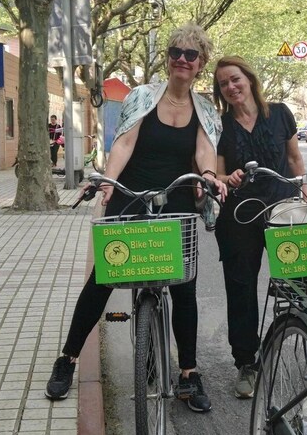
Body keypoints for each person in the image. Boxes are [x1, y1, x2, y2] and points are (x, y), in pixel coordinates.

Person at [45, 24, 226, 413]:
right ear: (168, 58)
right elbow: (124, 141)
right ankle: (68, 359)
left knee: (184, 288)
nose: (182, 58)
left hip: (176, 198)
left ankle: (189, 374)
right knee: (103, 279)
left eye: (191, 54)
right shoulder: (143, 96)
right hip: (131, 196)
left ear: (201, 64)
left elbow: (206, 152)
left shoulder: (205, 110)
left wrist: (208, 178)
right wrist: (109, 183)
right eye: (176, 51)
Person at [210, 56, 307, 400]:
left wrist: (304, 195)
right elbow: (216, 173)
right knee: (241, 291)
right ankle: (246, 364)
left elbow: (295, 159)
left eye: (235, 79)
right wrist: (228, 178)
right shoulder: (222, 125)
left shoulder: (279, 113)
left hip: (285, 210)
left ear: (249, 79)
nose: (231, 87)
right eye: (224, 84)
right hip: (240, 216)